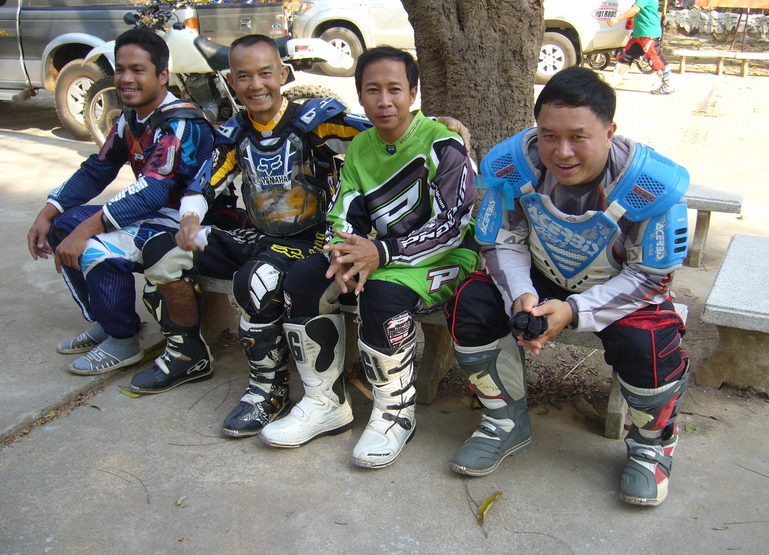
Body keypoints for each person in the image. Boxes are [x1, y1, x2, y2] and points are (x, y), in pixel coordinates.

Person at [134, 36, 470, 440]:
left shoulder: (316, 121)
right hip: (258, 233)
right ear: (231, 81)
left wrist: (438, 121)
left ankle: (269, 389)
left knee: (260, 282)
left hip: (307, 239)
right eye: (243, 76)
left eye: (265, 73)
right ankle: (187, 352)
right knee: (159, 250)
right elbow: (206, 180)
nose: (255, 84)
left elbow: (388, 128)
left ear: (283, 75)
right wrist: (190, 220)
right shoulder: (235, 131)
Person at [445, 66, 690, 507]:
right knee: (471, 302)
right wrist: (522, 296)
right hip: (540, 272)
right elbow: (502, 239)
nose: (562, 152)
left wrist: (575, 311)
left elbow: (649, 276)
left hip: (620, 286)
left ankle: (652, 445)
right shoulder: (514, 166)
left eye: (579, 137)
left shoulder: (651, 187)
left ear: (610, 132)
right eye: (548, 136)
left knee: (650, 343)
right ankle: (504, 420)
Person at [259, 46, 479, 469]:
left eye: (395, 89)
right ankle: (324, 403)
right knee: (306, 279)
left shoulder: (443, 143)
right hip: (383, 252)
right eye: (372, 90)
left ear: (412, 93)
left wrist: (382, 252)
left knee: (381, 294)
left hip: (446, 256)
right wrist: (342, 254)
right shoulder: (360, 146)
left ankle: (396, 411)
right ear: (359, 95)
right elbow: (343, 211)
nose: (384, 100)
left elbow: (455, 223)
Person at [26, 28, 216, 376]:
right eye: (120, 69)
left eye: (138, 70)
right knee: (61, 224)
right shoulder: (130, 118)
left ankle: (123, 339)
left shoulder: (180, 123)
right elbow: (98, 169)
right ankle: (107, 319)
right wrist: (48, 211)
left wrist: (86, 230)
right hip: (155, 214)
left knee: (94, 246)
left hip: (192, 222)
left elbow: (154, 190)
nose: (126, 78)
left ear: (162, 75)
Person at [606, 0, 675, 95]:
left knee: (655, 59)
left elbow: (636, 9)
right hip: (640, 34)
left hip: (648, 34)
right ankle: (611, 84)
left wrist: (617, 19)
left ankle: (668, 85)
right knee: (625, 56)